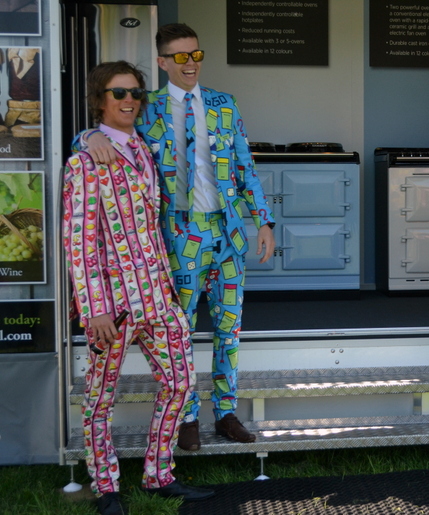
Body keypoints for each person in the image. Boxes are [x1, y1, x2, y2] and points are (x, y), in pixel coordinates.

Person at [81, 23, 275, 451]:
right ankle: (185, 417)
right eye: (182, 57)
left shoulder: (224, 104)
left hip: (227, 232)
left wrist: (264, 221)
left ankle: (225, 412)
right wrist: (88, 135)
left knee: (229, 329)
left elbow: (245, 165)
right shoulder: (145, 106)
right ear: (163, 62)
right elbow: (109, 132)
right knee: (179, 331)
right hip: (179, 234)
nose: (191, 64)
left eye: (196, 54)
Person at [63, 61, 214, 515]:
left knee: (180, 383)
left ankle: (158, 475)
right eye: (119, 92)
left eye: (135, 93)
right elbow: (79, 241)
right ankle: (106, 487)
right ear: (100, 100)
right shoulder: (84, 161)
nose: (129, 100)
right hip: (112, 305)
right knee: (100, 398)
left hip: (158, 295)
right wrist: (93, 308)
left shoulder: (144, 149)